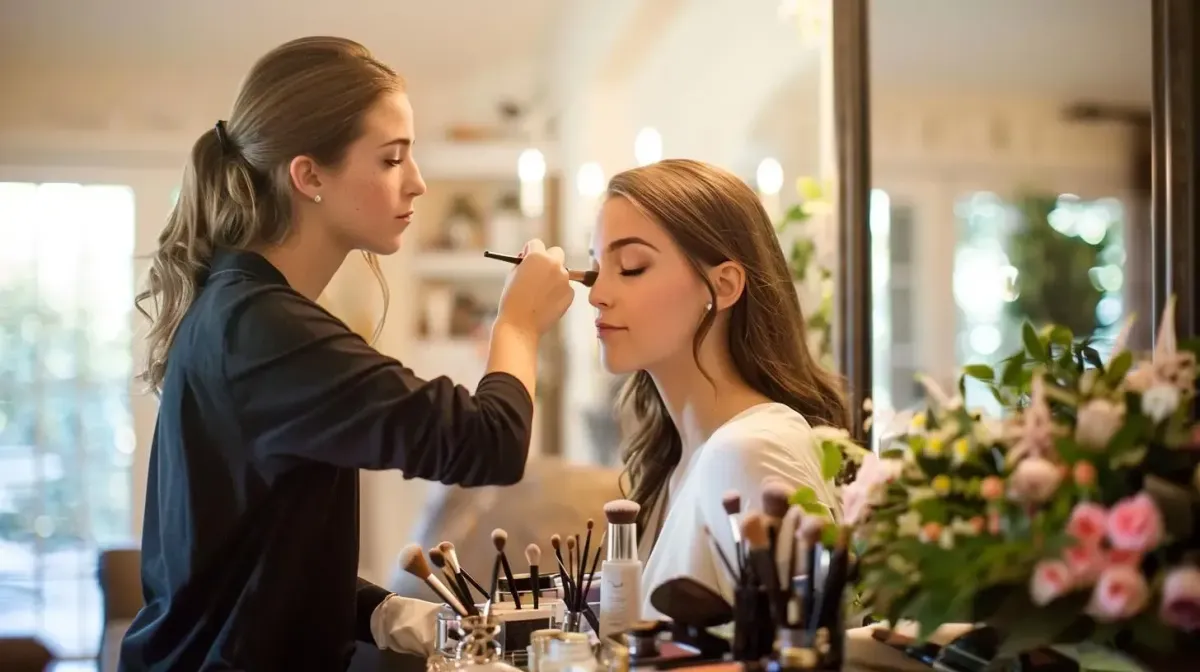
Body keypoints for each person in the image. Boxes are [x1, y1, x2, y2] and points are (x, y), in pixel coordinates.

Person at [118, 37, 574, 671]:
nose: (416, 183)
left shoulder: (243, 309)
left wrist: (375, 610)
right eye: (392, 160)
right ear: (309, 176)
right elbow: (488, 442)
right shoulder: (263, 328)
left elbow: (251, 548)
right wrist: (519, 325)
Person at [586, 159, 850, 618]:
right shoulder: (677, 463)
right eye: (594, 268)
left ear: (723, 285)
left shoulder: (749, 454)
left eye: (630, 267)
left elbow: (801, 652)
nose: (596, 294)